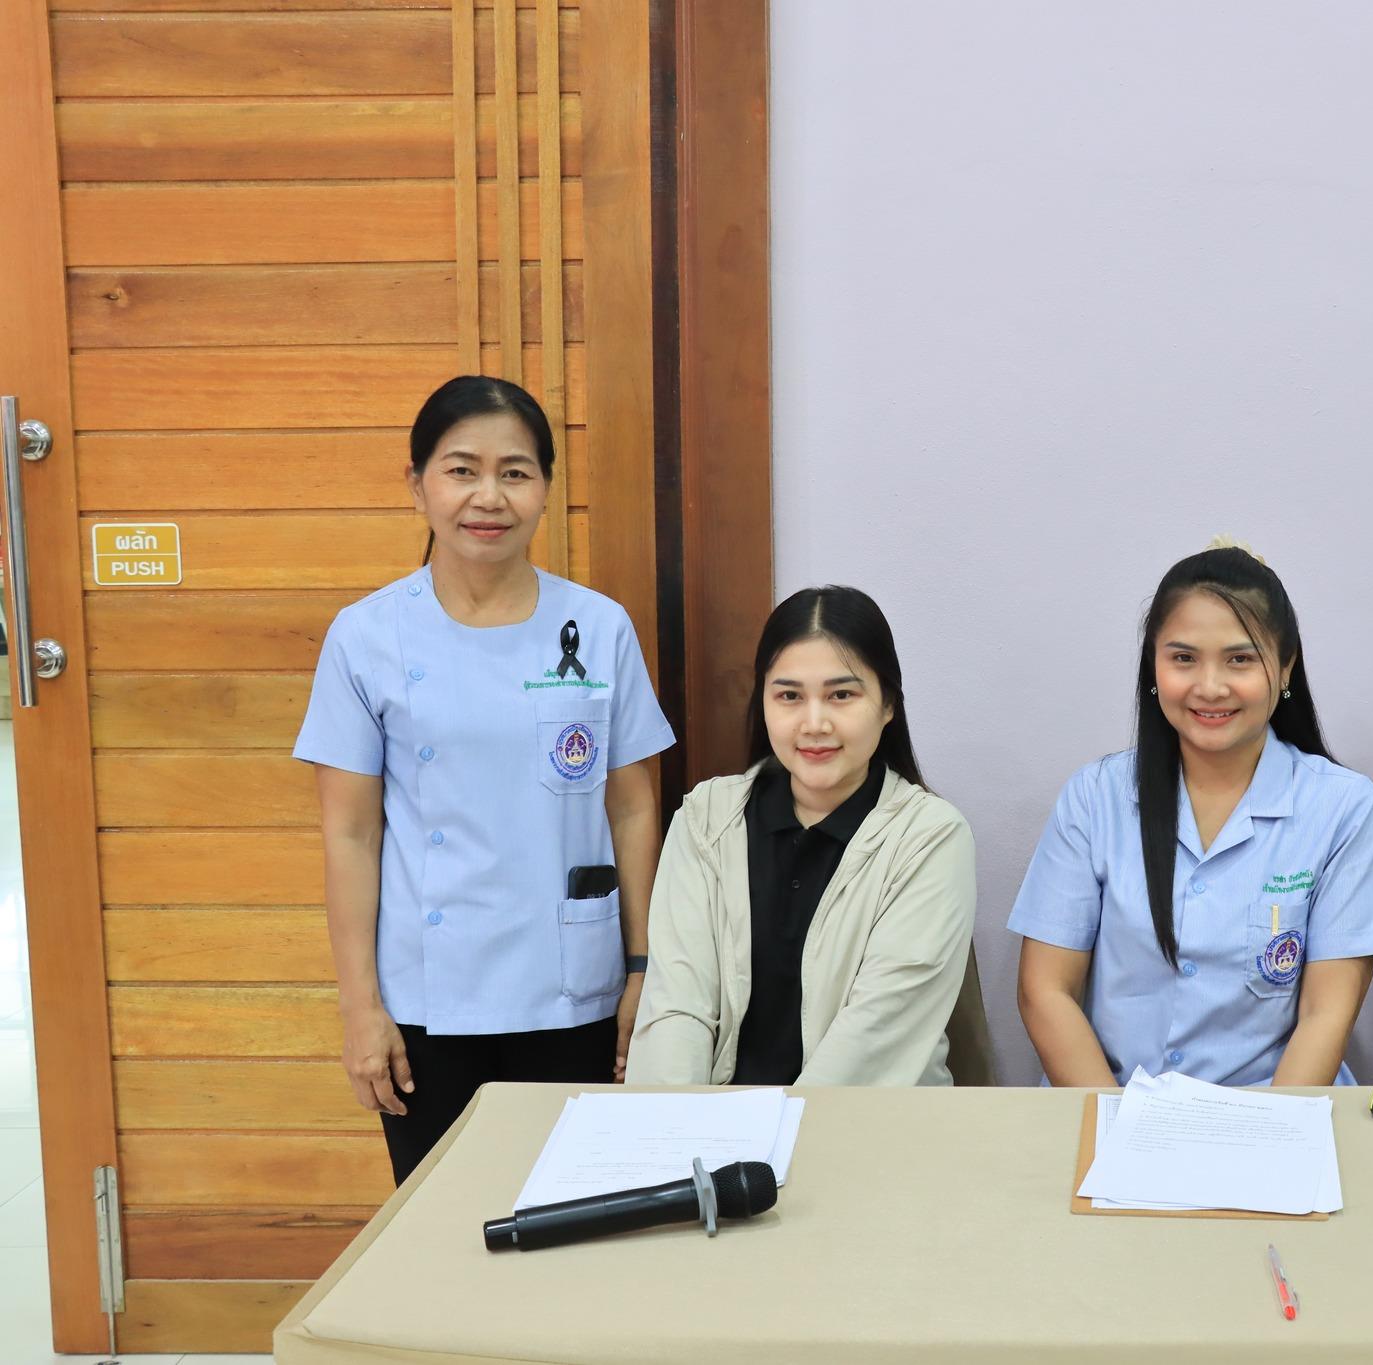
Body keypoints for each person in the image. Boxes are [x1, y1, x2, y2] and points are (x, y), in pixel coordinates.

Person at [295, 376, 673, 1182]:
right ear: (417, 485)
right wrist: (360, 1006)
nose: (489, 496)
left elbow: (634, 808)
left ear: (546, 488)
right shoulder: (366, 636)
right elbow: (350, 833)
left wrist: (645, 970)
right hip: (428, 1003)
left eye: (515, 471)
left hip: (575, 987)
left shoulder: (597, 627)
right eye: (462, 469)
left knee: (577, 1215)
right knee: (443, 1224)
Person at [1010, 540, 1373, 1088]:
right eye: (1183, 658)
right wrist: (1122, 1126)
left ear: (1285, 667)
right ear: (1153, 666)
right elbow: (1045, 991)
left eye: (1240, 659)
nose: (1210, 687)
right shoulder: (1094, 797)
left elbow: (1327, 1014)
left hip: (1272, 1108)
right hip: (1114, 1104)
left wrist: (1261, 1130)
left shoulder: (1343, 808)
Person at [627, 585, 990, 1086]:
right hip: (715, 1127)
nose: (814, 723)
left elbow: (875, 1036)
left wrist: (781, 1133)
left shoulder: (930, 837)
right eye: (789, 696)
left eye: (842, 695)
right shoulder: (705, 819)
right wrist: (675, 1123)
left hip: (862, 1122)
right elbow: (676, 1006)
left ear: (888, 704)